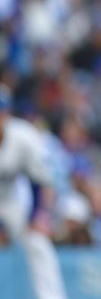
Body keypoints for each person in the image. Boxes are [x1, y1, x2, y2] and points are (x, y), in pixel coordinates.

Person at [0, 85, 68, 299]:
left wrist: (37, 216)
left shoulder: (23, 136)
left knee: (38, 242)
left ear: (7, 113)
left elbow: (40, 182)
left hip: (9, 201)